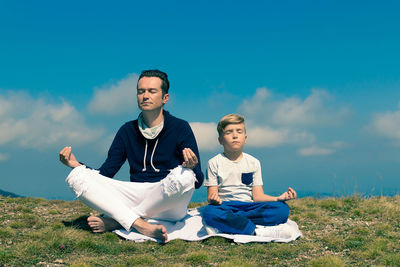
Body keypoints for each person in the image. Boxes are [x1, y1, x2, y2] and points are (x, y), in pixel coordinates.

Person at [59, 69, 204, 243]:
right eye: (141, 91)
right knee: (77, 177)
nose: (145, 96)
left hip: (167, 200)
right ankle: (140, 224)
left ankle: (118, 221)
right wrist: (76, 165)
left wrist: (192, 166)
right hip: (135, 193)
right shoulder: (127, 130)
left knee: (186, 176)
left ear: (165, 98)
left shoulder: (180, 127)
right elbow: (106, 173)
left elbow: (198, 181)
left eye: (152, 91)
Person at [202, 114, 297, 237]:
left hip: (250, 206)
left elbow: (258, 196)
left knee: (282, 210)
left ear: (245, 138)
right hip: (226, 206)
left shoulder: (254, 162)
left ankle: (230, 225)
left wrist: (278, 198)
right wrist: (214, 200)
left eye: (239, 131)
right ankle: (257, 231)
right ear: (220, 140)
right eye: (229, 132)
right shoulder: (213, 163)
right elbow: (211, 196)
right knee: (209, 212)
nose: (235, 135)